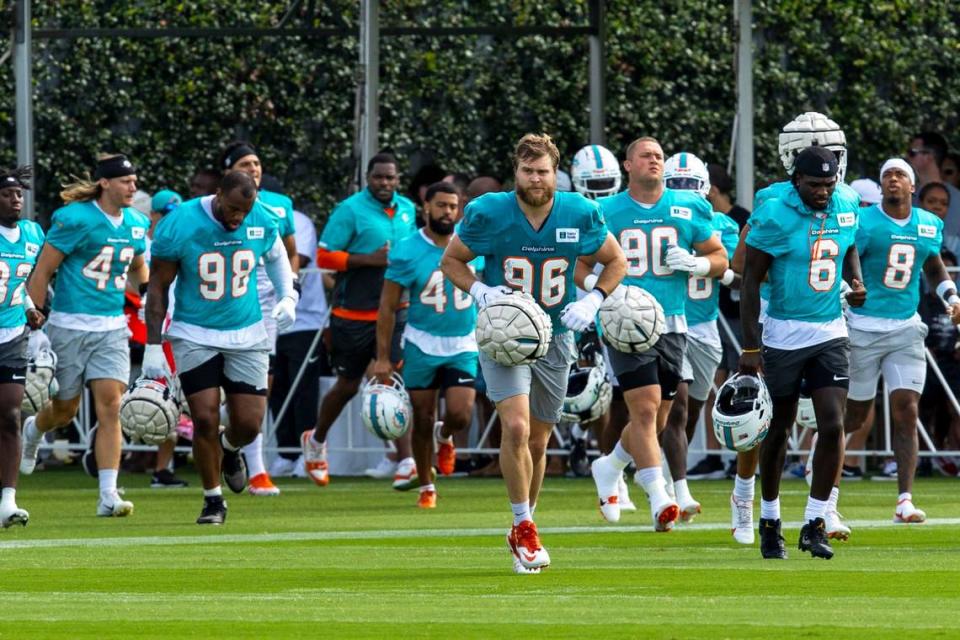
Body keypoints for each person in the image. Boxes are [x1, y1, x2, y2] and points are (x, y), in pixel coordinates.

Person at [441, 133, 625, 572]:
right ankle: (524, 525)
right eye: (528, 171)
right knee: (518, 427)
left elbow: (616, 261)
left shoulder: (580, 211)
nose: (536, 179)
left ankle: (525, 523)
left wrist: (593, 299)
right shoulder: (489, 211)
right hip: (504, 334)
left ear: (555, 173)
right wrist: (481, 290)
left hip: (557, 335)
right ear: (516, 172)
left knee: (539, 440)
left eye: (543, 171)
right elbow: (451, 261)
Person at [728, 111, 860, 544]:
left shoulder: (848, 202)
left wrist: (854, 281)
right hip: (783, 331)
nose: (824, 192)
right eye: (814, 185)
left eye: (829, 183)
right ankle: (768, 518)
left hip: (829, 330)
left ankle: (816, 520)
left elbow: (850, 242)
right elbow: (748, 280)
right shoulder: (773, 211)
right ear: (795, 179)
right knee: (778, 428)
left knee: (832, 422)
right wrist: (751, 348)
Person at [588, 137, 728, 533]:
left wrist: (698, 264)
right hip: (623, 320)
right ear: (627, 165)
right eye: (646, 155)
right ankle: (658, 495)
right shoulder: (606, 210)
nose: (654, 160)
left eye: (659, 156)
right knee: (646, 409)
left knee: (660, 417)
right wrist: (599, 291)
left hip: (673, 322)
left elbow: (721, 259)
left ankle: (611, 464)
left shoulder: (690, 206)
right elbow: (579, 264)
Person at [145, 171, 296, 524]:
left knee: (248, 424)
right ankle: (213, 500)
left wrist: (288, 294)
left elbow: (276, 256)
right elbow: (157, 287)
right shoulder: (179, 223)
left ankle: (230, 449)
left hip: (247, 330)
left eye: (244, 211)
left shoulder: (261, 216)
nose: (238, 217)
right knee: (204, 416)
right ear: (217, 195)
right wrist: (154, 345)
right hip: (194, 332)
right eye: (232, 209)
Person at [22, 154, 150, 517]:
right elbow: (42, 271)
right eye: (125, 181)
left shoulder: (137, 223)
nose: (133, 187)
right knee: (65, 409)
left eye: (134, 180)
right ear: (105, 183)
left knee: (111, 406)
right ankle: (34, 430)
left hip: (111, 327)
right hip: (69, 324)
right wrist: (35, 326)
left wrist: (147, 294)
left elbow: (139, 264)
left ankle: (108, 494)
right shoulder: (76, 219)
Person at [842, 159, 959, 523]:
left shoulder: (927, 224)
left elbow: (933, 264)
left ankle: (904, 499)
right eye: (887, 176)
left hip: (906, 327)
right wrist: (850, 288)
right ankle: (822, 455)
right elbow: (848, 257)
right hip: (863, 325)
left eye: (900, 175)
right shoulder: (865, 221)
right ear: (881, 187)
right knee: (856, 414)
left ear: (912, 186)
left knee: (906, 410)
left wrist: (952, 297)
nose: (893, 180)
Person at [303, 153, 417, 488]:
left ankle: (406, 461)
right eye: (379, 177)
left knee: (391, 379)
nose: (385, 183)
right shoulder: (350, 209)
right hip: (354, 312)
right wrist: (369, 259)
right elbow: (324, 255)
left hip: (397, 310)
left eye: (390, 178)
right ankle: (316, 439)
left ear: (398, 179)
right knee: (348, 385)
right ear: (368, 177)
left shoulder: (408, 209)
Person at [374, 182, 479, 509]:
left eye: (452, 206)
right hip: (421, 342)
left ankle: (445, 435)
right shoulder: (407, 249)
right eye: (441, 206)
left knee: (461, 413)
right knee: (421, 415)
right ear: (426, 208)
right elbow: (387, 307)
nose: (447, 212)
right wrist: (382, 357)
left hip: (463, 341)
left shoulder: (473, 242)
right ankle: (426, 485)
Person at [658, 152, 740, 521]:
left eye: (690, 186)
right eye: (676, 186)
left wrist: (709, 267)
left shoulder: (722, 225)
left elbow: (740, 275)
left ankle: (625, 465)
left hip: (706, 326)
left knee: (691, 412)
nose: (684, 192)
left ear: (705, 189)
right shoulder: (657, 219)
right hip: (668, 324)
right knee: (676, 406)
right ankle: (676, 488)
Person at [220, 141, 300, 496]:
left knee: (258, 385)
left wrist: (290, 292)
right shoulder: (218, 207)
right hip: (222, 301)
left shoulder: (279, 205)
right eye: (244, 163)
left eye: (256, 162)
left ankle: (257, 468)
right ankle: (221, 445)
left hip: (265, 305)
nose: (253, 168)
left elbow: (291, 252)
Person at [0, 166, 44, 527]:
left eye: (19, 194)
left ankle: (8, 500)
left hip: (13, 335)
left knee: (11, 414)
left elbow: (22, 282)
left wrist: (30, 308)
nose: (16, 200)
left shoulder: (32, 234)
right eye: (7, 194)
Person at [270, 209, 328, 478]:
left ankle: (309, 454)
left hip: (305, 320)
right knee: (277, 386)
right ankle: (286, 453)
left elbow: (298, 260)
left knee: (303, 389)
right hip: (269, 318)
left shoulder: (300, 220)